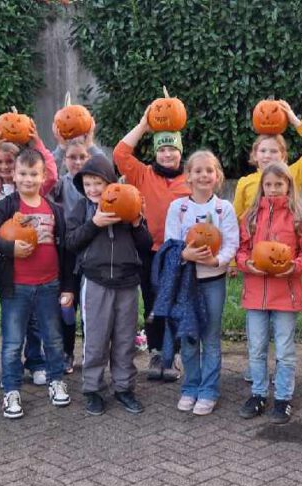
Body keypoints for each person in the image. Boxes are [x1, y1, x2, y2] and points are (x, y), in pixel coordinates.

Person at [0, 148, 74, 418]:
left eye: (34, 174)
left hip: (49, 284)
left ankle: (56, 380)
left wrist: (67, 286)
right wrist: (8, 247)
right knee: (12, 341)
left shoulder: (54, 210)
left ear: (44, 177)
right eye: (23, 173)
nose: (28, 179)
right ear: (14, 176)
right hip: (16, 286)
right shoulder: (7, 207)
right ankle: (11, 389)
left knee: (53, 338)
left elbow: (65, 251)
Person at [65, 155, 152, 415]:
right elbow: (70, 241)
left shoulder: (128, 206)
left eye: (98, 183)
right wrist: (94, 224)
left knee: (125, 339)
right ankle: (93, 389)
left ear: (110, 184)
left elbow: (145, 244)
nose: (93, 189)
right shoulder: (81, 209)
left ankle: (124, 387)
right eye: (88, 184)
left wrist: (137, 223)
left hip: (127, 283)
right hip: (95, 282)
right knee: (96, 340)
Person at [236, 162, 302, 424]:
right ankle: (258, 394)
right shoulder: (249, 217)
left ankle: (283, 398)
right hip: (255, 295)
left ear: (288, 186)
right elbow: (241, 250)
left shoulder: (298, 218)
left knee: (284, 350)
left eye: (279, 185)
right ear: (262, 186)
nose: (273, 189)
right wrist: (246, 263)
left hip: (286, 295)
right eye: (268, 185)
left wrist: (294, 267)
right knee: (256, 348)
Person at [114, 106, 191, 381]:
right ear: (155, 152)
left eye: (172, 149)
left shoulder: (190, 178)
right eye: (161, 149)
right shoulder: (143, 174)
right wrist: (144, 125)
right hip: (149, 251)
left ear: (180, 151)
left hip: (180, 252)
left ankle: (177, 352)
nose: (167, 154)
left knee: (178, 301)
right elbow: (120, 154)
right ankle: (157, 350)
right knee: (153, 302)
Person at [162, 150, 239, 415]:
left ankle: (209, 390)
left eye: (209, 170)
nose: (204, 175)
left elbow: (231, 243)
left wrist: (216, 261)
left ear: (217, 176)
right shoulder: (179, 208)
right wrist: (185, 254)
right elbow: (170, 243)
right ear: (188, 177)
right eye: (198, 171)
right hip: (186, 283)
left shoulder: (223, 208)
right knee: (189, 336)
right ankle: (190, 386)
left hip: (213, 281)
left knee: (211, 336)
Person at [51, 126, 107, 373]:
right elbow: (46, 172)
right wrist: (60, 145)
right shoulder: (60, 184)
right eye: (72, 157)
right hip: (67, 250)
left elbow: (105, 166)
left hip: (91, 249)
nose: (77, 161)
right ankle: (66, 352)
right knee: (66, 304)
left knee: (89, 307)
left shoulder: (97, 185)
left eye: (82, 157)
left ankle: (89, 351)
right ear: (65, 160)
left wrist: (91, 143)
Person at [231, 100, 302, 217]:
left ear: (283, 155)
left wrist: (295, 121)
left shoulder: (292, 175)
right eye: (263, 151)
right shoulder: (244, 183)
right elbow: (236, 219)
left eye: (274, 151)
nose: (267, 156)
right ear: (255, 155)